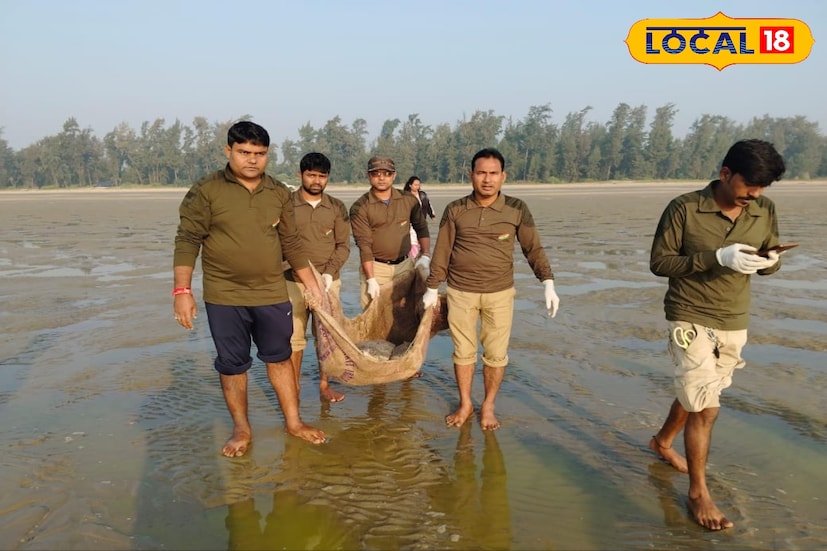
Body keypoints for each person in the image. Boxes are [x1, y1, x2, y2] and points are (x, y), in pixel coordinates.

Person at [647, 139, 786, 530]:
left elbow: (766, 263)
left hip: (734, 318)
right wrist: (716, 258)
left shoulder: (763, 208)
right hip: (688, 314)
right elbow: (660, 262)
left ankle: (661, 441)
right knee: (706, 407)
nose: (754, 195)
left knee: (701, 392)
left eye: (762, 188)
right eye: (749, 186)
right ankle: (698, 493)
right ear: (725, 174)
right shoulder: (684, 207)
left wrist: (768, 263)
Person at [173, 121, 326, 456]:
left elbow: (291, 243)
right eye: (244, 152)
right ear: (228, 151)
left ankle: (294, 421)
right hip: (224, 296)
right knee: (233, 364)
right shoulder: (207, 190)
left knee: (281, 358)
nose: (252, 160)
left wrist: (314, 288)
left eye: (260, 154)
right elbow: (187, 240)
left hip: (271, 293)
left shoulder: (278, 193)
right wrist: (181, 292)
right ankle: (241, 429)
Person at [422, 147, 560, 431]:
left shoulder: (516, 209)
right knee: (463, 352)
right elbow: (442, 251)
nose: (487, 179)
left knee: (496, 354)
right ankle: (465, 403)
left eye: (493, 173)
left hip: (500, 293)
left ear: (503, 176)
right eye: (481, 173)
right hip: (461, 291)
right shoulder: (456, 209)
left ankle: (488, 405)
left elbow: (532, 248)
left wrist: (548, 282)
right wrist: (432, 287)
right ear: (471, 175)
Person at [285, 152, 350, 403]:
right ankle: (293, 387)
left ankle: (324, 385)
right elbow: (279, 243)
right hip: (292, 282)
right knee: (293, 338)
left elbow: (343, 246)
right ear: (300, 175)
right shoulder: (286, 205)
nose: (316, 180)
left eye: (321, 176)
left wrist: (328, 274)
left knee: (326, 337)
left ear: (327, 178)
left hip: (328, 282)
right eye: (311, 175)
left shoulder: (336, 207)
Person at [350, 156, 431, 310]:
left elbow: (421, 227)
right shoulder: (360, 207)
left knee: (406, 315)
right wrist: (371, 279)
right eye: (376, 174)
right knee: (373, 317)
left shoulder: (408, 200)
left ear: (394, 175)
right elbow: (364, 245)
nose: (382, 178)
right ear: (368, 176)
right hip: (376, 267)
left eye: (387, 173)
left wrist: (425, 255)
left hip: (405, 266)